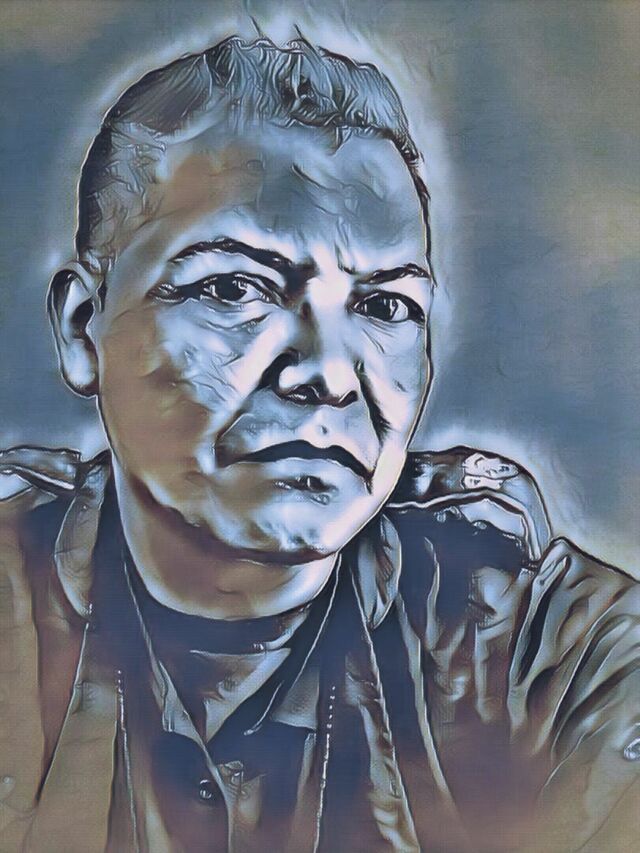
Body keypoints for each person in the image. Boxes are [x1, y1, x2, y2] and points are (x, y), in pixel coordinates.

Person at [0, 35, 637, 853]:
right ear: (84, 328)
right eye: (235, 287)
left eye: (383, 306)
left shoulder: (533, 657)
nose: (331, 373)